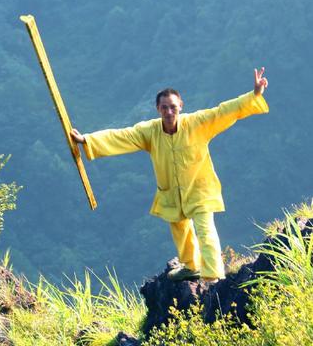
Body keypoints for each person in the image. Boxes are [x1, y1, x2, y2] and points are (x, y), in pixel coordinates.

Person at [70, 68, 269, 282]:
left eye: (173, 107)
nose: (169, 112)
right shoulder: (150, 131)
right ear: (158, 109)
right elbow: (122, 136)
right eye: (164, 108)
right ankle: (191, 266)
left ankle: (213, 276)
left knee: (205, 230)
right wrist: (87, 140)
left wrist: (254, 94)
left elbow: (224, 111)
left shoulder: (197, 123)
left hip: (200, 189)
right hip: (171, 192)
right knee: (181, 232)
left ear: (181, 107)